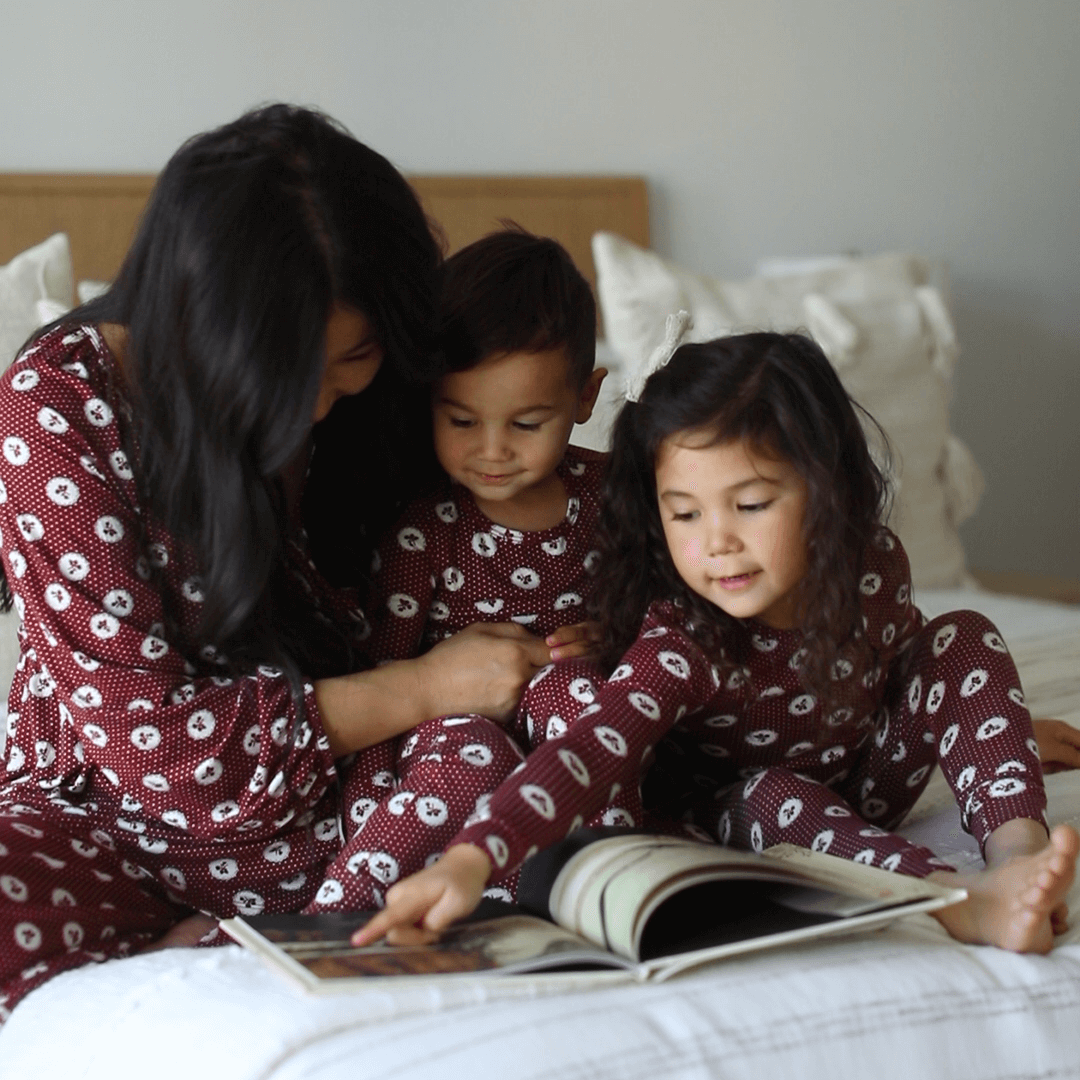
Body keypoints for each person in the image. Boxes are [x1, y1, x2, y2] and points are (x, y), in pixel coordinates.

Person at [0, 105, 552, 1022]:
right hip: (107, 821)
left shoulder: (378, 402)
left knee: (492, 778)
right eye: (290, 369)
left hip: (336, 813)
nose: (324, 400)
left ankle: (272, 939)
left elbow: (482, 549)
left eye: (358, 355)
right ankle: (258, 937)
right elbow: (160, 756)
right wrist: (426, 687)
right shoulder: (53, 408)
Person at [356, 326, 1079, 955]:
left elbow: (910, 659)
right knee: (773, 792)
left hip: (866, 780)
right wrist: (475, 858)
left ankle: (1019, 858)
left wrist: (985, 732)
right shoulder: (685, 634)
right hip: (747, 811)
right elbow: (587, 749)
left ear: (828, 489)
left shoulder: (876, 565)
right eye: (685, 514)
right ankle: (961, 901)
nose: (719, 545)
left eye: (752, 503)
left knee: (966, 634)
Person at [363, 227, 608, 747]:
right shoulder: (422, 529)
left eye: (525, 425)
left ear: (586, 397)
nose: (492, 451)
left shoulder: (614, 497)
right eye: (462, 423)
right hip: (452, 748)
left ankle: (605, 830)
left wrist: (615, 644)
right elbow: (383, 680)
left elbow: (666, 622)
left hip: (577, 743)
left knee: (583, 697)